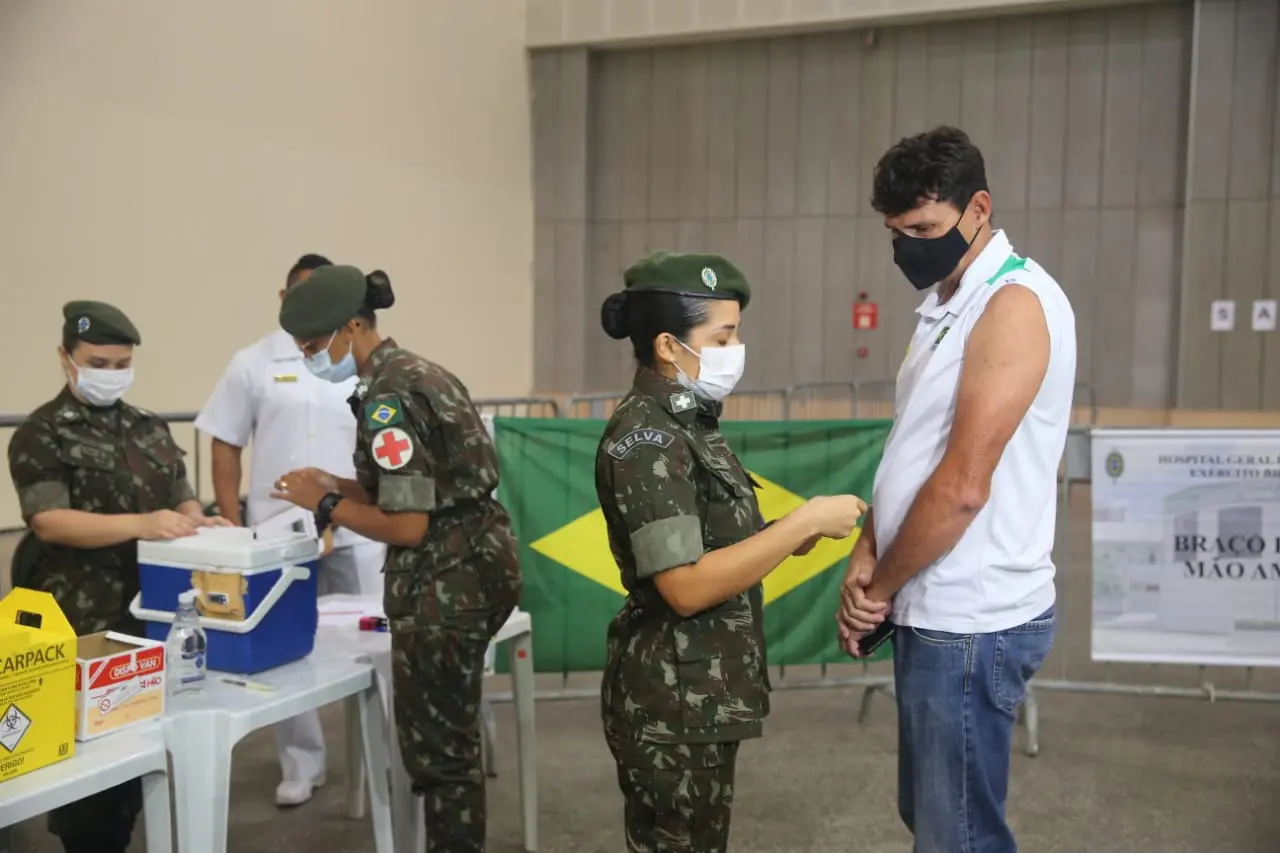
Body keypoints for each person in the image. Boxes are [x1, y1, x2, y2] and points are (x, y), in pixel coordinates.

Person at [837, 126, 1076, 852]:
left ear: (979, 208)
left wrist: (880, 585)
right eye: (895, 232)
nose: (908, 246)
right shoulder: (948, 301)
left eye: (924, 228)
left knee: (958, 837)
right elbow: (911, 449)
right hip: (928, 601)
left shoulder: (1013, 306)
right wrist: (866, 550)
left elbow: (963, 486)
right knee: (933, 818)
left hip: (972, 616)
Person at [595, 251, 868, 853]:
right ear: (669, 346)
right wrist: (798, 525)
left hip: (703, 694)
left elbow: (712, 541)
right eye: (723, 336)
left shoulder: (689, 423)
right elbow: (685, 586)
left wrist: (789, 532)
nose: (735, 349)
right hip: (671, 700)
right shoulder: (648, 439)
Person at [267, 264, 521, 853]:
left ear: (352, 326)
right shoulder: (419, 372)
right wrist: (340, 483)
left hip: (446, 582)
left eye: (313, 345)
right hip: (477, 564)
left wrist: (327, 502)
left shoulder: (388, 398)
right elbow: (421, 487)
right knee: (453, 742)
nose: (309, 357)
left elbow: (408, 524)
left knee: (440, 757)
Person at [7, 300, 230, 853]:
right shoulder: (43, 433)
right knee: (89, 784)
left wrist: (200, 519)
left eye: (120, 364)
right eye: (98, 363)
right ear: (66, 357)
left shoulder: (147, 427)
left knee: (143, 756)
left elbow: (181, 493)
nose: (111, 374)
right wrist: (143, 524)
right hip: (85, 622)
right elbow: (48, 520)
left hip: (152, 615)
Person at [194, 253, 387, 807]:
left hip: (359, 521)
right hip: (279, 526)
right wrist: (229, 520)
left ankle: (378, 758)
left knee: (375, 635)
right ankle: (302, 763)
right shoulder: (252, 362)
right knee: (285, 647)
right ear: (283, 301)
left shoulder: (354, 360)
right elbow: (225, 438)